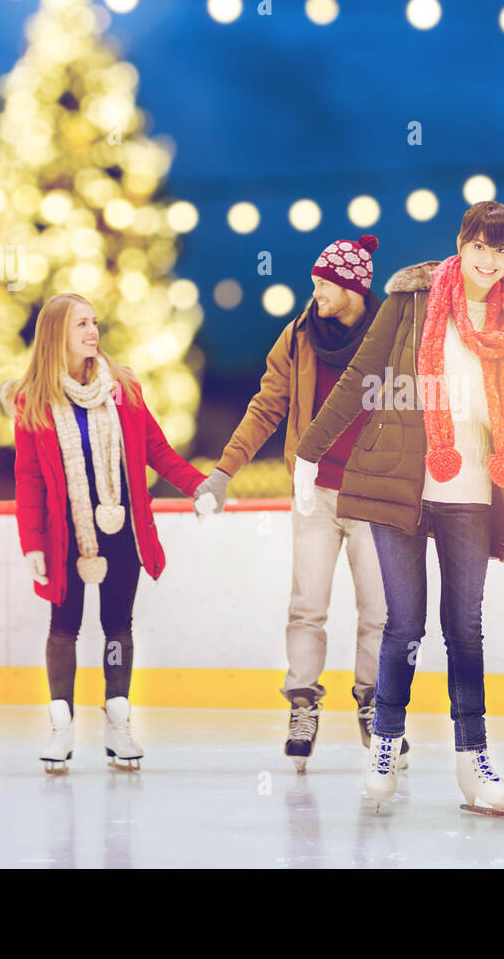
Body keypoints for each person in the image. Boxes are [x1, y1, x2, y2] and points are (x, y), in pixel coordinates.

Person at [293, 201, 504, 815]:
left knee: (464, 631)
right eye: (480, 244)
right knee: (405, 625)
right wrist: (310, 455)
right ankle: (385, 741)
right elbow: (361, 378)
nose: (488, 258)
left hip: (472, 495)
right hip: (401, 490)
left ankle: (474, 761)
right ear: (461, 242)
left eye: (501, 250)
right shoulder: (411, 305)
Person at [191, 235, 403, 773]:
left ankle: (374, 703)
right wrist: (223, 471)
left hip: (374, 495)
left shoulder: (390, 335)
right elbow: (266, 407)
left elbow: (414, 411)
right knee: (306, 605)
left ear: (354, 287)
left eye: (326, 284)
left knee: (379, 612)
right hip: (315, 493)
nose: (316, 293)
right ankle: (303, 705)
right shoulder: (297, 338)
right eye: (315, 283)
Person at [0, 292, 209, 772]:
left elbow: (158, 450)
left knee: (118, 626)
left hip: (122, 530)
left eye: (94, 322)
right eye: (81, 325)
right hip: (63, 535)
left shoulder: (124, 390)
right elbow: (28, 479)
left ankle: (118, 723)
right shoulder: (33, 401)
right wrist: (31, 541)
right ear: (57, 335)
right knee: (64, 627)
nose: (93, 332)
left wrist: (198, 487)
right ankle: (61, 729)